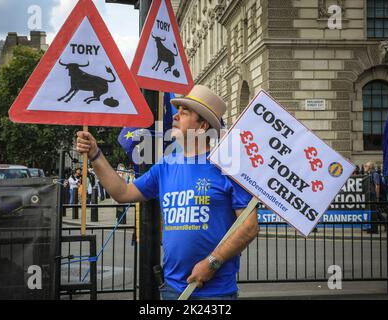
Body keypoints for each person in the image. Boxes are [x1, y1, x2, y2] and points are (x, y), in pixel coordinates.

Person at [76, 85, 259, 300]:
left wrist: (212, 263)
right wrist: (96, 155)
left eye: (185, 112)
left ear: (202, 125)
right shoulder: (165, 166)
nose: (175, 115)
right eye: (177, 109)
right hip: (172, 289)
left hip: (215, 292)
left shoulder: (228, 168)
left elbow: (249, 226)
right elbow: (123, 192)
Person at [364, 161, 386, 234]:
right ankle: (385, 224)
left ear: (370, 167)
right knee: (375, 211)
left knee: (376, 211)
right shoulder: (370, 174)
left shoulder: (375, 174)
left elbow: (377, 185)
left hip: (375, 196)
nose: (364, 167)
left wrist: (377, 197)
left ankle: (386, 223)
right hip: (371, 196)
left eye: (366, 166)